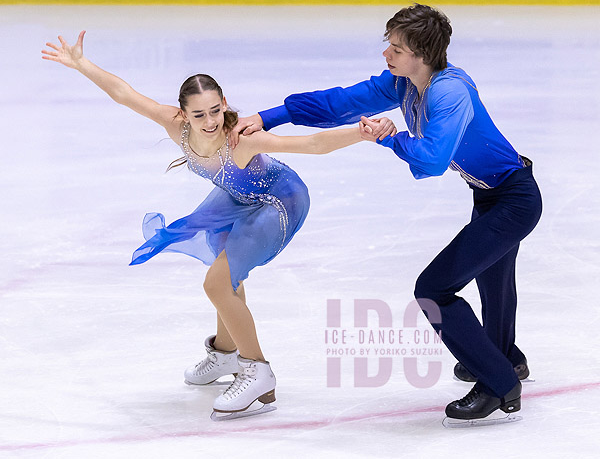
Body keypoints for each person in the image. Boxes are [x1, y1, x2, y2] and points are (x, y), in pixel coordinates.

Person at [41, 31, 386, 420]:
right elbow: (125, 93)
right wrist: (81, 63)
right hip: (236, 197)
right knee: (228, 276)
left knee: (216, 282)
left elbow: (312, 146)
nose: (209, 122)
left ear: (224, 106)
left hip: (278, 200)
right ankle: (226, 353)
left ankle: (258, 372)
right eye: (199, 114)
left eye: (215, 111)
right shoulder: (176, 126)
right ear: (183, 113)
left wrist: (361, 133)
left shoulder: (240, 140)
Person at [233, 4, 542, 422]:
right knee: (495, 283)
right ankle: (504, 357)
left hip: (515, 199)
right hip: (492, 196)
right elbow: (338, 103)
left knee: (434, 289)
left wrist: (388, 140)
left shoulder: (450, 92)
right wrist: (269, 117)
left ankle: (500, 384)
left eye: (396, 47)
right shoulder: (405, 84)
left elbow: (432, 159)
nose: (387, 54)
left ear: (422, 54)